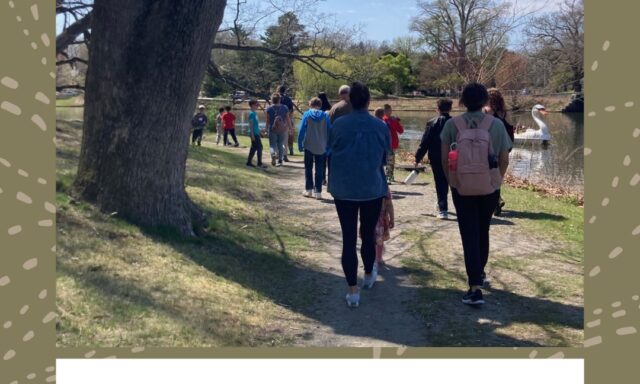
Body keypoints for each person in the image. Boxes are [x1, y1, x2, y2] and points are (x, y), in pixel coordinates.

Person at [440, 83, 511, 306]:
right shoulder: (496, 125)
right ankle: (479, 273)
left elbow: (445, 159)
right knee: (483, 229)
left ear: (462, 101)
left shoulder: (453, 124)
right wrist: (496, 180)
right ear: (484, 101)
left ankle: (474, 286)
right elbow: (504, 158)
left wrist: (453, 182)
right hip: (489, 186)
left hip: (462, 186)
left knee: (468, 232)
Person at [328, 81, 390, 308]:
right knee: (368, 233)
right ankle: (368, 273)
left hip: (343, 188)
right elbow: (385, 156)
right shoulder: (380, 125)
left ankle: (352, 291)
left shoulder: (338, 124)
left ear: (349, 100)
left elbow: (331, 149)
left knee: (348, 238)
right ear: (368, 101)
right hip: (371, 187)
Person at [414, 98, 453, 219]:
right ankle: (460, 207)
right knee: (454, 182)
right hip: (453, 157)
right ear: (450, 109)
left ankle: (443, 209)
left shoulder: (432, 122)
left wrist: (418, 157)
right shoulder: (456, 123)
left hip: (436, 156)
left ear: (438, 109)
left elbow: (425, 141)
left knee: (440, 182)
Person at [484, 88, 515, 216]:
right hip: (505, 145)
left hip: (491, 146)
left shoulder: (486, 111)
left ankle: (496, 201)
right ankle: (496, 202)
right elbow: (511, 128)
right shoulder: (505, 113)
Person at [298, 97, 331, 199]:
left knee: (308, 168)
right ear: (320, 105)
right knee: (320, 169)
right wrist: (329, 146)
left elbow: (301, 130)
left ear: (310, 104)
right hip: (322, 146)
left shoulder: (307, 114)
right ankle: (318, 192)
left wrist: (300, 143)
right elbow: (330, 131)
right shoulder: (326, 116)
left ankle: (308, 190)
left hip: (309, 145)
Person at [265, 93, 292, 167]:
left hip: (272, 129)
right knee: (280, 144)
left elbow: (267, 120)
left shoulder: (269, 108)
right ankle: (280, 159)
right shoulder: (285, 107)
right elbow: (288, 119)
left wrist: (266, 129)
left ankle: (273, 154)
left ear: (272, 100)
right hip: (282, 129)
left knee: (272, 145)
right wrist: (290, 128)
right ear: (279, 99)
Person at [383, 104, 404, 183]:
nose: (391, 112)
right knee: (389, 161)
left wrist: (397, 122)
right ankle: (388, 176)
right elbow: (401, 131)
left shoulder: (391, 120)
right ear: (385, 111)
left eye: (390, 110)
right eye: (389, 110)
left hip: (390, 144)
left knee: (390, 161)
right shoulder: (384, 120)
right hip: (386, 144)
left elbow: (401, 131)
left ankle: (389, 176)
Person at [374, 190, 394, 266]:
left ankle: (378, 258)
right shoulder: (384, 187)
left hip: (380, 219)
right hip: (370, 218)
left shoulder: (384, 189)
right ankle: (376, 258)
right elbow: (389, 204)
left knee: (379, 239)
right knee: (376, 239)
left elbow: (389, 204)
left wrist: (392, 219)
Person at [246, 99, 267, 169]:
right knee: (260, 147)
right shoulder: (251, 114)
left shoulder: (254, 113)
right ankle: (259, 163)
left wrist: (261, 132)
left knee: (254, 148)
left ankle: (249, 162)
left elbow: (256, 125)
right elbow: (251, 125)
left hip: (256, 133)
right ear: (252, 105)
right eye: (256, 104)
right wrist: (252, 135)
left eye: (258, 104)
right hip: (254, 133)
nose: (258, 106)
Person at [278, 85, 296, 160]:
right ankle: (290, 149)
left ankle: (280, 153)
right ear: (285, 91)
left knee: (279, 137)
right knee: (288, 135)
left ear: (278, 90)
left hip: (278, 120)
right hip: (287, 118)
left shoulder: (277, 98)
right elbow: (291, 110)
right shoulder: (288, 99)